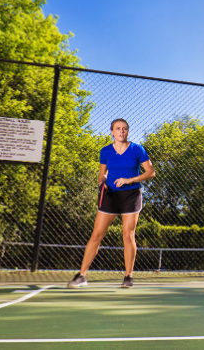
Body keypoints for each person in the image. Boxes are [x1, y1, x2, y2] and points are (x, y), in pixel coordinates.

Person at [67, 118, 156, 289]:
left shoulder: (138, 149)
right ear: (112, 131)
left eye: (124, 129)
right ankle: (82, 275)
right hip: (110, 195)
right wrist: (102, 183)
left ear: (128, 132)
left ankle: (128, 276)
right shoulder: (105, 151)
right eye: (118, 128)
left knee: (128, 235)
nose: (121, 131)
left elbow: (150, 172)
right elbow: (102, 174)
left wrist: (130, 180)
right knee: (96, 235)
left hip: (131, 195)